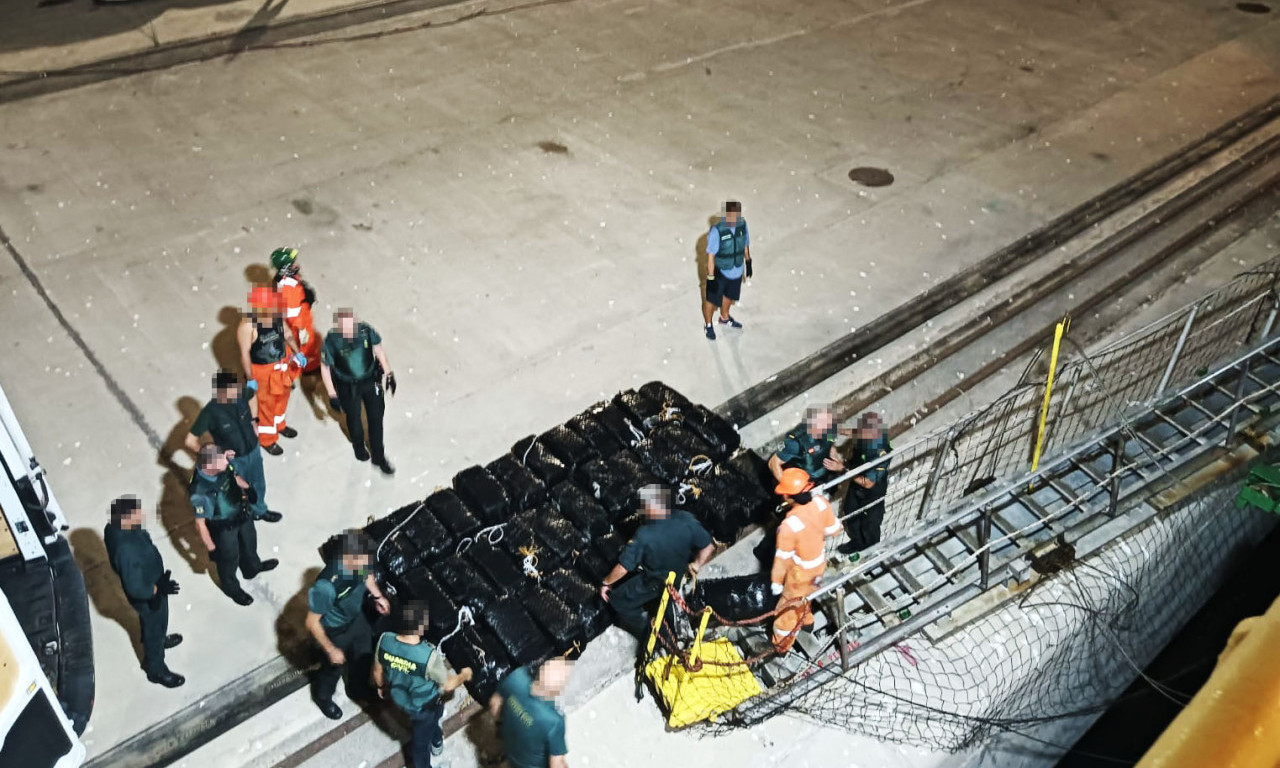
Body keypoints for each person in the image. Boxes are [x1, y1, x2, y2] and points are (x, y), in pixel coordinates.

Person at [600, 484, 714, 638]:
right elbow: (709, 547)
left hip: (654, 581)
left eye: (644, 506)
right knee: (668, 605)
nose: (641, 510)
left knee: (618, 600)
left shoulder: (644, 534)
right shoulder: (685, 519)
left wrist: (606, 583)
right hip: (678, 577)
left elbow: (623, 568)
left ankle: (647, 633)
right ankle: (670, 623)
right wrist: (696, 565)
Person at [372, 601, 473, 768]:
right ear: (420, 627)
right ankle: (429, 754)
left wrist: (381, 687)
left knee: (433, 720)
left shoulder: (385, 640)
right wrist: (464, 675)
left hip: (400, 699)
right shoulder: (428, 657)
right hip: (423, 706)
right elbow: (448, 685)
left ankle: (436, 740)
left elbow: (377, 672)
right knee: (420, 745)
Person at [307, 530, 391, 720]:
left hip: (356, 618)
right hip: (333, 630)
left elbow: (367, 576)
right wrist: (330, 649)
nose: (367, 565)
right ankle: (322, 697)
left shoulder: (360, 564)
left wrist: (378, 596)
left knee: (363, 654)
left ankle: (357, 688)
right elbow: (311, 622)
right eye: (364, 561)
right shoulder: (327, 586)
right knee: (332, 668)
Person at [104, 496, 185, 688]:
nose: (141, 515)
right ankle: (156, 670)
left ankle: (157, 640)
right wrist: (157, 589)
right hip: (149, 594)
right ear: (124, 519)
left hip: (152, 581)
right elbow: (135, 588)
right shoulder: (125, 549)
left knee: (154, 624)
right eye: (136, 514)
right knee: (154, 624)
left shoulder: (116, 528)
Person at [185, 369, 282, 525]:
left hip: (253, 450)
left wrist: (254, 420)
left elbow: (252, 395)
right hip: (233, 460)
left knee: (258, 484)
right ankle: (242, 516)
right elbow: (190, 441)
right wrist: (213, 456)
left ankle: (259, 510)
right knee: (236, 491)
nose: (236, 394)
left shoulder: (240, 394)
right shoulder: (210, 413)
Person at [189, 443, 279, 606]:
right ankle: (231, 587)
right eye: (222, 460)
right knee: (228, 560)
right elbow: (200, 524)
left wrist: (248, 488)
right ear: (209, 465)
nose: (226, 461)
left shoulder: (223, 465)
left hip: (242, 513)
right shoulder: (199, 490)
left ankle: (252, 568)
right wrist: (212, 548)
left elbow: (234, 476)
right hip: (223, 527)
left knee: (250, 543)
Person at [770, 469, 840, 654]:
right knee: (808, 595)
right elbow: (834, 529)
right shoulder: (821, 503)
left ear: (788, 496)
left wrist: (776, 582)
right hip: (819, 566)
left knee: (786, 610)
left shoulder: (789, 526)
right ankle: (807, 621)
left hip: (799, 574)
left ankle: (782, 645)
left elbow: (782, 559)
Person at [321, 308, 397, 475]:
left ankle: (379, 456)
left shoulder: (365, 331)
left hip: (370, 381)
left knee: (376, 418)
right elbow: (325, 368)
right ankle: (358, 446)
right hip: (348, 387)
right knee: (354, 418)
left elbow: (379, 350)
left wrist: (389, 373)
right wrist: (332, 394)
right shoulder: (332, 341)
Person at [238, 286, 306, 456]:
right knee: (266, 405)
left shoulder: (276, 315)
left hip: (282, 366)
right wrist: (250, 379)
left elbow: (287, 334)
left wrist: (297, 352)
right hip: (262, 372)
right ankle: (267, 439)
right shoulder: (248, 326)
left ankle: (280, 425)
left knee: (282, 397)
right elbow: (245, 353)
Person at [488, 659, 572, 768]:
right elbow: (556, 765)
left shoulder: (517, 677)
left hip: (510, 752)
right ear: (557, 690)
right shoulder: (554, 722)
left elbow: (494, 704)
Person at [838, 412, 892, 556]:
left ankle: (871, 551)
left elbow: (868, 483)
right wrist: (837, 431)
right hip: (858, 477)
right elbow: (855, 432)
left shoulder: (881, 452)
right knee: (850, 510)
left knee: (870, 522)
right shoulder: (866, 433)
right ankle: (857, 542)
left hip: (872, 488)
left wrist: (844, 470)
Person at [702, 200, 752, 340]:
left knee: (730, 296)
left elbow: (745, 244)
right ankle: (708, 324)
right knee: (711, 300)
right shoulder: (717, 231)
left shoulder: (742, 225)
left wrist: (748, 261)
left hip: (736, 270)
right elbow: (711, 257)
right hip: (720, 271)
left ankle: (724, 317)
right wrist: (711, 277)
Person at [272, 247, 321, 375]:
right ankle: (310, 368)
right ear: (285, 268)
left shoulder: (283, 280)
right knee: (307, 346)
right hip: (300, 324)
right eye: (292, 263)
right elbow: (293, 317)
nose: (296, 264)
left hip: (300, 320)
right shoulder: (289, 290)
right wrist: (303, 331)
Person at [769, 405, 844, 486]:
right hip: (802, 482)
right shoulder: (796, 442)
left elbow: (830, 446)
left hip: (822, 475)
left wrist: (838, 465)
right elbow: (773, 463)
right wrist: (790, 487)